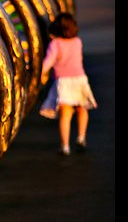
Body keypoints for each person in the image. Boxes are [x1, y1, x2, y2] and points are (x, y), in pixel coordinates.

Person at [39, 12, 98, 155]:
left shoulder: (55, 44)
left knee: (65, 114)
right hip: (80, 79)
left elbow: (49, 61)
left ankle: (65, 146)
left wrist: (41, 74)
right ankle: (81, 137)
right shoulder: (77, 42)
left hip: (64, 81)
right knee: (82, 109)